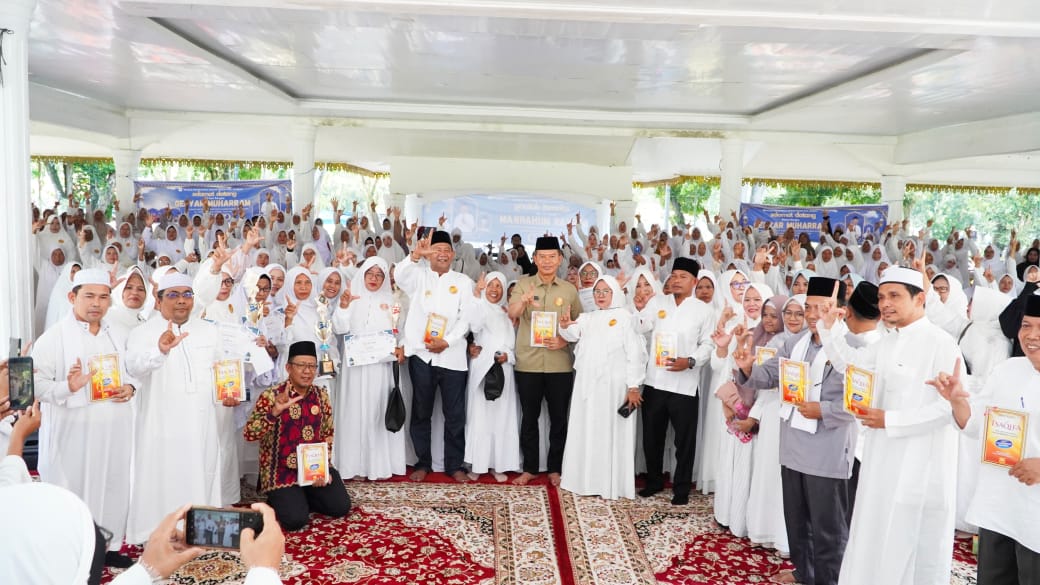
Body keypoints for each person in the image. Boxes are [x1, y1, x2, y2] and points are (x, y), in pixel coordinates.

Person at [817, 266, 962, 585]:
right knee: (874, 537)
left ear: (920, 299)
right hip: (881, 461)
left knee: (908, 548)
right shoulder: (885, 342)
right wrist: (829, 329)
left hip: (919, 467)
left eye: (894, 296)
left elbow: (949, 409)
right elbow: (851, 367)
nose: (885, 303)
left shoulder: (941, 344)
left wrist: (890, 420)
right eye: (882, 297)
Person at [734, 278, 872, 585]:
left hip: (829, 448)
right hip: (793, 444)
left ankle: (828, 579)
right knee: (797, 520)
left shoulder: (853, 347)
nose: (812, 315)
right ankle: (804, 572)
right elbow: (771, 375)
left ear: (839, 310)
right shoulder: (794, 343)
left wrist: (823, 410)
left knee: (828, 526)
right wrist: (747, 368)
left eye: (822, 308)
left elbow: (860, 403)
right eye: (808, 307)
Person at [929, 293, 1040, 585]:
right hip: (998, 506)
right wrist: (957, 401)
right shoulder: (1007, 371)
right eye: (1026, 325)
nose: (1031, 336)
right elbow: (975, 424)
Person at [30, 269, 138, 567]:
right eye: (89, 296)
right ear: (72, 297)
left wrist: (130, 387)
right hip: (74, 432)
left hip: (115, 427)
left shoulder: (120, 333)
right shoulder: (52, 339)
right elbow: (36, 385)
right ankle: (72, 550)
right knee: (73, 488)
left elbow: (135, 371)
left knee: (114, 485)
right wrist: (69, 386)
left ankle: (109, 547)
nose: (96, 303)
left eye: (103, 297)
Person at [124, 271, 235, 543]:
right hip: (161, 424)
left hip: (201, 421)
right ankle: (157, 533)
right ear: (158, 300)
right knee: (163, 475)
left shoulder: (209, 330)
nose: (181, 301)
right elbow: (134, 368)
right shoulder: (142, 333)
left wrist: (229, 392)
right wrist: (160, 351)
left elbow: (221, 367)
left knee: (202, 469)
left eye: (187, 294)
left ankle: (201, 530)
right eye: (173, 295)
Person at [243, 341, 351, 531]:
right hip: (280, 471)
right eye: (301, 365)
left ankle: (299, 496)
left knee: (340, 507)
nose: (307, 371)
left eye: (311, 366)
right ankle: (285, 498)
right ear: (288, 368)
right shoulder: (271, 396)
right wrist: (274, 412)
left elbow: (327, 433)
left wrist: (323, 468)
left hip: (313, 468)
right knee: (295, 520)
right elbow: (249, 434)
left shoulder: (321, 395)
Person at [394, 229, 474, 483]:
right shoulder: (418, 275)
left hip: (453, 356)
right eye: (437, 250)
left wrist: (448, 341)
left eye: (446, 250)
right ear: (430, 254)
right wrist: (415, 255)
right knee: (421, 411)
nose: (442, 254)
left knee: (455, 414)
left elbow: (466, 318)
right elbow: (399, 276)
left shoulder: (463, 282)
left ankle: (454, 464)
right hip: (422, 355)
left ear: (453, 254)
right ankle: (423, 462)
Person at [633, 257, 715, 505]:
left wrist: (690, 361)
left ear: (694, 282)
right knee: (652, 437)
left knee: (684, 441)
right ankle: (654, 481)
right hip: (655, 381)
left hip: (685, 385)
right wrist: (639, 310)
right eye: (674, 275)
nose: (677, 280)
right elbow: (641, 328)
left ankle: (681, 488)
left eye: (683, 277)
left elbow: (708, 344)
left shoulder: (703, 310)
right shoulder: (658, 302)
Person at [558, 275, 647, 499]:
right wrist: (564, 326)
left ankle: (610, 484)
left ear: (615, 293)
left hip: (614, 387)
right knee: (588, 429)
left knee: (611, 432)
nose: (600, 295)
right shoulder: (588, 317)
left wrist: (633, 386)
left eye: (606, 291)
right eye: (597, 291)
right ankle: (585, 481)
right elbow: (572, 334)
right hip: (588, 386)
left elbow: (635, 353)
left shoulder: (626, 317)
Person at [508, 236, 582, 486]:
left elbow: (579, 326)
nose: (547, 261)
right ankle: (530, 468)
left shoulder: (569, 290)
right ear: (535, 259)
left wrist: (565, 341)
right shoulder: (523, 285)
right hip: (528, 363)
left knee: (559, 419)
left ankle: (555, 468)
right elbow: (512, 313)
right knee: (529, 418)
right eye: (543, 257)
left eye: (552, 257)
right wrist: (524, 301)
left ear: (560, 259)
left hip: (560, 364)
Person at [331, 257, 407, 480]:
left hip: (380, 367)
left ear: (385, 279)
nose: (374, 279)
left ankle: (377, 466)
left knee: (376, 409)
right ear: (362, 275)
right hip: (354, 367)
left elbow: (401, 331)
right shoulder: (351, 296)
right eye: (370, 274)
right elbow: (339, 328)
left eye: (379, 275)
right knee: (353, 410)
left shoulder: (392, 301)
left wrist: (401, 347)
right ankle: (352, 465)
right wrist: (344, 307)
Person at [465, 271, 521, 482]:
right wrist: (477, 295)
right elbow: (474, 326)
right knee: (480, 416)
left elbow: (515, 345)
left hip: (503, 367)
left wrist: (509, 357)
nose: (495, 290)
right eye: (491, 285)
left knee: (501, 417)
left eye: (499, 286)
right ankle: (477, 464)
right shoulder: (479, 306)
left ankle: (499, 464)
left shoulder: (508, 313)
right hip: (482, 367)